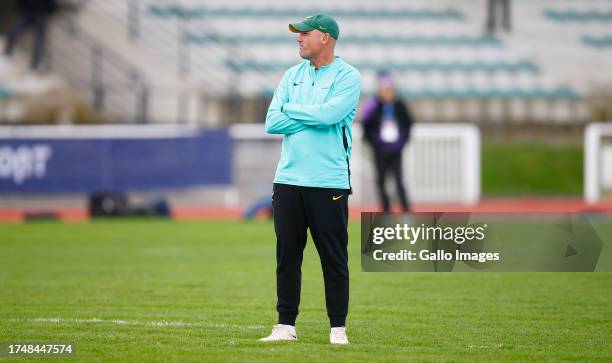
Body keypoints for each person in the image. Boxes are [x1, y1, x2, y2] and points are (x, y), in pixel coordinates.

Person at [259, 13, 361, 345]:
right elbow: (272, 122)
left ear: (326, 38)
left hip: (328, 182)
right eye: (298, 33)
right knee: (287, 256)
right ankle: (285, 326)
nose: (299, 38)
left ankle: (338, 329)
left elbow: (331, 115)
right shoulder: (292, 75)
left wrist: (293, 110)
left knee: (334, 258)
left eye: (306, 33)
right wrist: (309, 115)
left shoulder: (348, 76)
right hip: (288, 180)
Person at [361, 71, 412, 214]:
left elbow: (407, 126)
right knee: (381, 181)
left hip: (396, 150)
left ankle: (406, 210)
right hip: (380, 150)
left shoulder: (400, 106)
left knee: (399, 180)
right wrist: (375, 144)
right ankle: (386, 210)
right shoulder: (373, 107)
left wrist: (401, 144)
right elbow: (367, 126)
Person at [1, 0, 57, 73]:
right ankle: (7, 55)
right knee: (13, 31)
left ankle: (33, 68)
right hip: (28, 15)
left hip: (41, 17)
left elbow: (52, 6)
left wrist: (46, 14)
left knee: (38, 43)